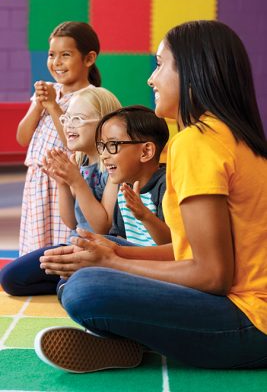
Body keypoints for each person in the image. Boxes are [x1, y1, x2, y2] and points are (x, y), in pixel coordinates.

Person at [34, 20, 267, 373]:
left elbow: (213, 274)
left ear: (193, 70)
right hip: (244, 312)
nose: (150, 79)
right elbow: (196, 251)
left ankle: (133, 341)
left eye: (160, 64)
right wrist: (115, 250)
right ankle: (130, 343)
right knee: (81, 274)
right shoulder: (236, 138)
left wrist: (111, 263)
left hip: (249, 322)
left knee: (86, 288)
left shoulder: (197, 142)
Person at [0, 87, 121, 296]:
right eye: (67, 119)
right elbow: (71, 222)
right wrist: (62, 182)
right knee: (11, 279)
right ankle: (70, 282)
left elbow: (102, 225)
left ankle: (76, 283)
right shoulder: (79, 160)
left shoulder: (112, 167)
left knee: (67, 288)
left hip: (102, 250)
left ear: (105, 123)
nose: (69, 125)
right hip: (74, 243)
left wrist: (76, 181)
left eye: (79, 119)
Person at [17, 21, 102, 255]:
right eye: (52, 55)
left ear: (88, 58)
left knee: (62, 246)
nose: (56, 62)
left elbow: (73, 142)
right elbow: (22, 138)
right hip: (37, 182)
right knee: (36, 250)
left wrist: (53, 105)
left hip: (64, 186)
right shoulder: (47, 92)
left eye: (66, 55)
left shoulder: (90, 97)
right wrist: (39, 105)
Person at [95, 105, 171, 247]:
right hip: (132, 259)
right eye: (101, 146)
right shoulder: (124, 187)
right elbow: (120, 238)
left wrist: (144, 215)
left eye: (113, 145)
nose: (103, 155)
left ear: (146, 152)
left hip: (157, 265)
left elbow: (174, 245)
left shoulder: (166, 185)